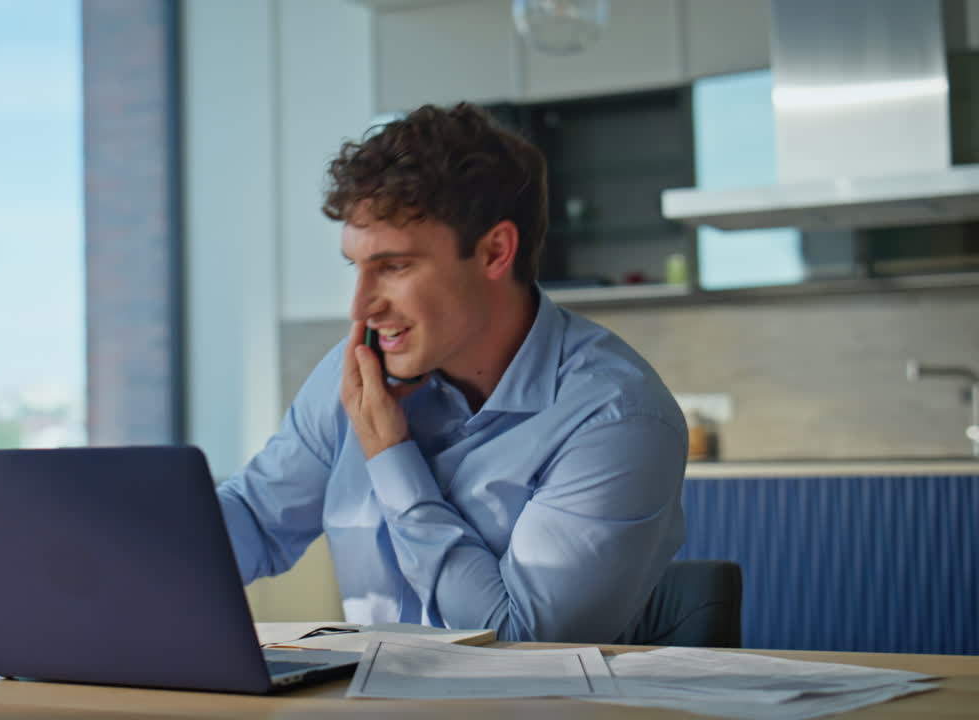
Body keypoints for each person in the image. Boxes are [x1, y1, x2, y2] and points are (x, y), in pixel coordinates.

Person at [216, 103, 686, 643]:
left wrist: (391, 456)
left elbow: (522, 645)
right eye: (356, 266)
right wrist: (125, 545)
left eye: (394, 267)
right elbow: (255, 519)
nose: (361, 306)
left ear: (494, 252)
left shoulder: (616, 419)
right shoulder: (359, 369)